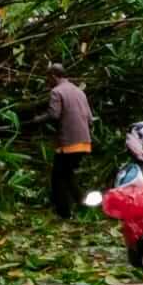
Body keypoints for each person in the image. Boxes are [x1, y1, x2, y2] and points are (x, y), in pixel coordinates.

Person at [44, 63, 93, 219]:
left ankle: (64, 213)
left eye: (48, 77)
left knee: (58, 178)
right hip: (84, 142)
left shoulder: (56, 92)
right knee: (68, 174)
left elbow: (54, 115)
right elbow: (90, 119)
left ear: (53, 76)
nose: (47, 81)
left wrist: (37, 119)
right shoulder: (79, 92)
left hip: (68, 143)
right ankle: (83, 204)